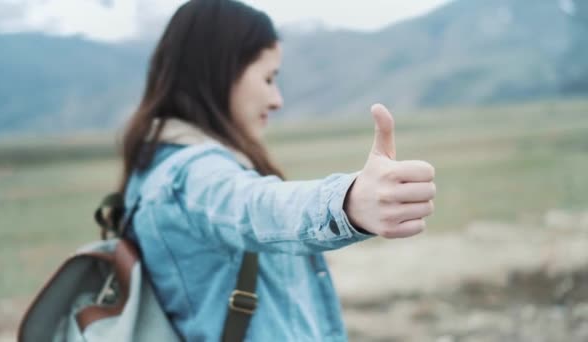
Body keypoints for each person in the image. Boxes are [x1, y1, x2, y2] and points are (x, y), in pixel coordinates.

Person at [118, 0, 436, 340]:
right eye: (268, 78)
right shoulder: (190, 174)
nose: (277, 100)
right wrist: (348, 203)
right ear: (220, 72)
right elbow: (255, 206)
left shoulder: (156, 168)